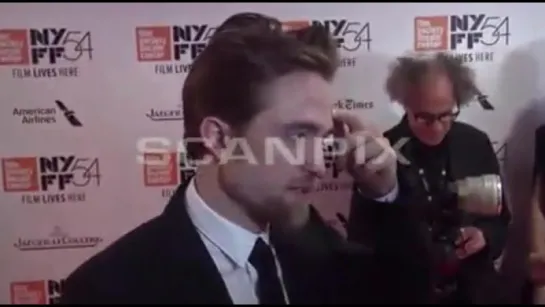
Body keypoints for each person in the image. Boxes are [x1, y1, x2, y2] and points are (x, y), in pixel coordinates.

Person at [59, 13, 431, 304]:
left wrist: (384, 192)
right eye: (297, 135)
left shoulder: (316, 247)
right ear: (219, 138)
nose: (319, 165)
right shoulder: (108, 290)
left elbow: (400, 294)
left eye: (322, 137)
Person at [347, 52, 512, 304]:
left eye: (446, 115)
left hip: (474, 291)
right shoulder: (383, 151)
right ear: (405, 104)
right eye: (424, 117)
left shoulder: (475, 142)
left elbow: (500, 221)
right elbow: (361, 237)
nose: (436, 127)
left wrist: (483, 237)